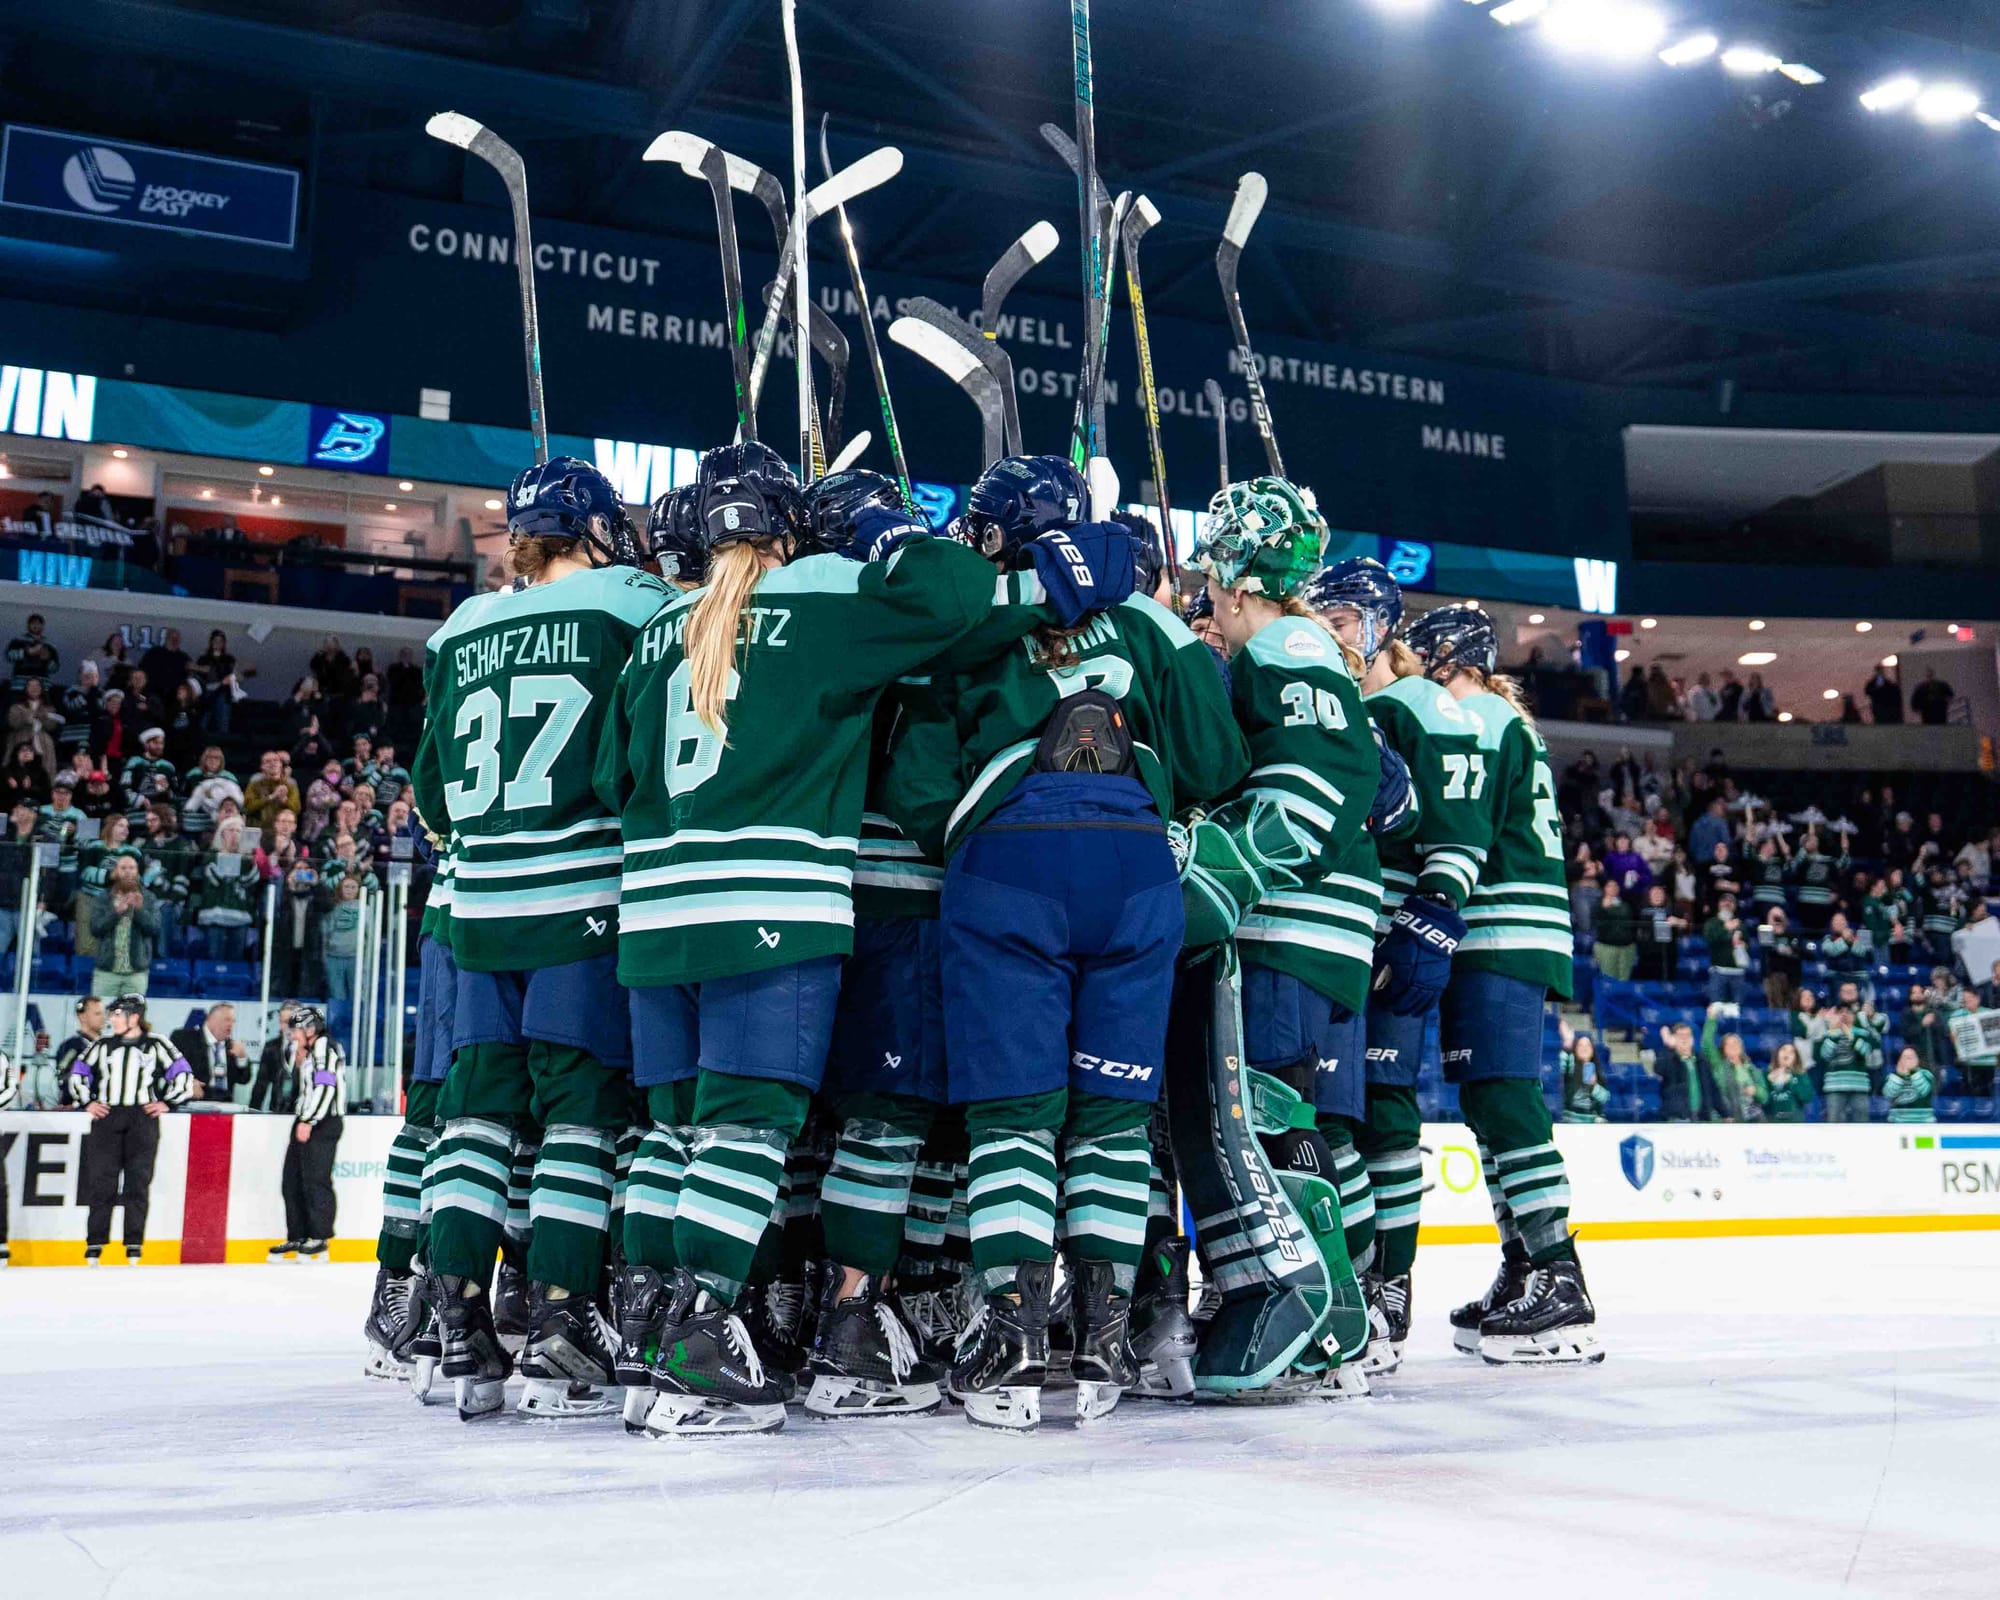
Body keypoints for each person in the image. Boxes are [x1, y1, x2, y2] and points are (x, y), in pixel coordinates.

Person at [596, 446, 1138, 1435]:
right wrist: (886, 527)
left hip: (652, 918)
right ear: (788, 527)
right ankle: (695, 1341)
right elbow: (954, 597)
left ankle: (650, 1336)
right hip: (770, 905)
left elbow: (608, 776)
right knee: (747, 1133)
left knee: (678, 1134)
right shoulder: (818, 597)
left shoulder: (653, 633)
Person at [405, 455, 668, 1422]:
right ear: (593, 529)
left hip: (477, 910)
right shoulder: (629, 602)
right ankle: (562, 1316)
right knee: (579, 1119)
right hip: (581, 901)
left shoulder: (461, 625)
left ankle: (457, 1321)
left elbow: (431, 792)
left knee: (475, 1115)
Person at [1178, 496, 1381, 1400]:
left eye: (1211, 568)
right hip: (1314, 920)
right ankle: (1334, 1315)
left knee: (1258, 1104)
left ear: (1235, 568)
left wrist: (1232, 862)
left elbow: (1324, 776)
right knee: (1284, 1108)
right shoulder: (1290, 646)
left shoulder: (1285, 645)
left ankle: (1289, 1299)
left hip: (1292, 915)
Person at [1403, 602, 1600, 1365]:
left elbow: (1464, 816)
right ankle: (1526, 1268)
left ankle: (1558, 1273)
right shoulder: (1506, 718)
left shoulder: (1478, 713)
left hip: (1502, 927)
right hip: (1511, 928)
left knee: (1507, 1097)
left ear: (1446, 657)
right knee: (1490, 1098)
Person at [1310, 555, 1478, 1376]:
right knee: (1348, 1110)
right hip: (1349, 928)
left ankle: (1390, 1281)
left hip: (1394, 925)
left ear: (1377, 625)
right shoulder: (1348, 701)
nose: (1329, 634)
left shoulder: (1417, 702)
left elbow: (1457, 824)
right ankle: (1361, 1275)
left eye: (1341, 621)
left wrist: (1435, 912)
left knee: (1384, 1106)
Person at [66, 994, 196, 1263]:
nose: (111, 1020)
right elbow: (77, 1072)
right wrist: (88, 1102)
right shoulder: (101, 1045)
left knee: (138, 1181)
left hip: (142, 1118)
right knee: (103, 1182)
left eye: (116, 1015)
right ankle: (95, 1241)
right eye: (110, 1014)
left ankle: (134, 1242)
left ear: (134, 1017)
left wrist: (168, 1102)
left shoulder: (156, 1044)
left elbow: (183, 1072)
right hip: (108, 1116)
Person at [272, 1006, 347, 1260]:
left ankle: (320, 1237)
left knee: (316, 1180)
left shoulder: (326, 1047)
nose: (291, 1035)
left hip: (322, 1121)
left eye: (295, 1030)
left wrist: (309, 1120)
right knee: (291, 1179)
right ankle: (298, 1235)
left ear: (310, 1029)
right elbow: (288, 1065)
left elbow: (326, 1087)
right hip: (306, 1118)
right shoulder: (308, 1048)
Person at [192, 815, 261, 963]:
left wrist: (251, 862)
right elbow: (215, 879)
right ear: (222, 833)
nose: (235, 834)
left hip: (239, 918)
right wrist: (228, 859)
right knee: (213, 960)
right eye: (231, 830)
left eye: (239, 831)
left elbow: (250, 882)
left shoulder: (247, 860)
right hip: (214, 916)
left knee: (235, 963)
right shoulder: (211, 856)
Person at [90, 857, 160, 998]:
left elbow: (154, 929)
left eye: (131, 868)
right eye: (123, 868)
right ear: (115, 872)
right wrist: (116, 913)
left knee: (133, 1018)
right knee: (103, 1016)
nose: (127, 872)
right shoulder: (103, 898)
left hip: (136, 973)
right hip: (106, 972)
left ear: (137, 872)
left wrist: (139, 910)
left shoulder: (148, 898)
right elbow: (95, 929)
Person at [1813, 1005, 1879, 1123]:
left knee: (1862, 1123)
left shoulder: (1863, 1033)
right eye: (1840, 1012)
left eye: (1848, 1012)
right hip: (1834, 1085)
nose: (1844, 1015)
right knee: (1834, 1122)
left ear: (1854, 1016)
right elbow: (1825, 1056)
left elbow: (1865, 1052)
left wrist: (1850, 1036)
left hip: (1859, 1085)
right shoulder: (1827, 1034)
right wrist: (1833, 1035)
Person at [170, 1001, 247, 1103]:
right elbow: (168, 1067)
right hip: (192, 1103)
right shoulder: (184, 1038)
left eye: (233, 1021)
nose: (231, 1025)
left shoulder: (232, 1047)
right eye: (227, 1020)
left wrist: (242, 1058)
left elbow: (243, 1079)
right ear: (211, 1019)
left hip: (225, 1106)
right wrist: (186, 1082)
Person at [1701, 1004, 1766, 1122]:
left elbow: (1765, 1097)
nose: (1733, 1046)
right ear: (1722, 1049)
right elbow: (1707, 1043)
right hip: (1727, 1119)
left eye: (1736, 1043)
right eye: (1728, 1044)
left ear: (1741, 1047)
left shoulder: (1752, 1069)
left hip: (1752, 1120)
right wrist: (1711, 1019)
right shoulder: (1718, 1065)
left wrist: (1755, 1091)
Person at [1654, 1021, 1720, 1122]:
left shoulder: (1701, 1060)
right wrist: (1669, 1047)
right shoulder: (1669, 1058)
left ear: (1692, 1039)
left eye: (1688, 1035)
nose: (1684, 1039)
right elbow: (1659, 1069)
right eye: (1680, 1036)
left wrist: (1725, 1113)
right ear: (1674, 1039)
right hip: (1678, 1118)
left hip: (1702, 1117)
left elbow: (1712, 1087)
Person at [5, 676, 63, 780]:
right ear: (25, 689)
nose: (34, 688)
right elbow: (13, 722)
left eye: (37, 686)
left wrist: (44, 716)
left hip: (43, 744)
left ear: (41, 689)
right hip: (21, 739)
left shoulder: (49, 708)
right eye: (30, 685)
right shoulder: (17, 707)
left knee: (44, 771)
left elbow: (52, 725)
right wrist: (29, 717)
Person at [1703, 894, 1751, 1006]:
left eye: (1731, 902)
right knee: (1716, 1008)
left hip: (1738, 973)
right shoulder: (1712, 923)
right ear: (1719, 904)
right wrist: (1725, 928)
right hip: (1718, 972)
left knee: (1736, 1010)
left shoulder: (1740, 925)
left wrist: (1743, 944)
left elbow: (1747, 943)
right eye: (1724, 901)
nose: (1727, 904)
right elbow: (1709, 940)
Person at [1559, 1022, 1608, 1123]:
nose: (1584, 1048)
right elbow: (1562, 1063)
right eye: (1580, 1045)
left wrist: (1593, 1086)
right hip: (1571, 1118)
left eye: (1588, 1045)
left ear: (1592, 1050)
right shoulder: (1570, 1064)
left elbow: (1605, 1098)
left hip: (1591, 1120)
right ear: (1575, 1049)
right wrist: (1567, 1043)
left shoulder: (1595, 1069)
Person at [1635, 883, 1684, 982]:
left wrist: (1678, 922)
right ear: (1649, 896)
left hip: (1667, 954)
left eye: (1660, 893)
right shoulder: (1640, 911)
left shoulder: (1673, 910)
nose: (1657, 896)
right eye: (1654, 894)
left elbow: (1685, 924)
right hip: (1647, 955)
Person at [1592, 878, 1637, 982]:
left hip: (1626, 947)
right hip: (1606, 946)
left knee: (1624, 979)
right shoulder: (1598, 904)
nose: (1613, 888)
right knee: (1608, 979)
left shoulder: (1626, 904)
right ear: (1604, 889)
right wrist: (1603, 908)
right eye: (1610, 886)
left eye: (1616, 886)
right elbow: (1594, 922)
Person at [243, 751, 300, 834]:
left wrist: (284, 801)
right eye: (268, 761)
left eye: (275, 760)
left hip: (282, 832)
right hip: (259, 830)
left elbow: (296, 809)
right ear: (262, 766)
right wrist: (271, 797)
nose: (272, 763)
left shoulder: (290, 786)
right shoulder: (254, 785)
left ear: (280, 764)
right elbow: (247, 807)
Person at [1758, 906, 1803, 1009]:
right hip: (1773, 978)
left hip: (1792, 978)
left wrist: (1789, 951)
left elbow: (1802, 952)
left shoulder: (1793, 935)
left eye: (1780, 917)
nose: (1777, 920)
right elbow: (1767, 951)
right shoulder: (1766, 934)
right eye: (1774, 917)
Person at [1883, 1045, 1936, 1124]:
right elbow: (1889, 1094)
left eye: (1911, 1057)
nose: (1908, 1060)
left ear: (1918, 1060)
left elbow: (1924, 1091)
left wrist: (1914, 1073)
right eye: (1904, 1057)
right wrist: (1899, 1076)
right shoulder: (1892, 1076)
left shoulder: (1926, 1074)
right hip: (1898, 1121)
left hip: (1924, 1121)